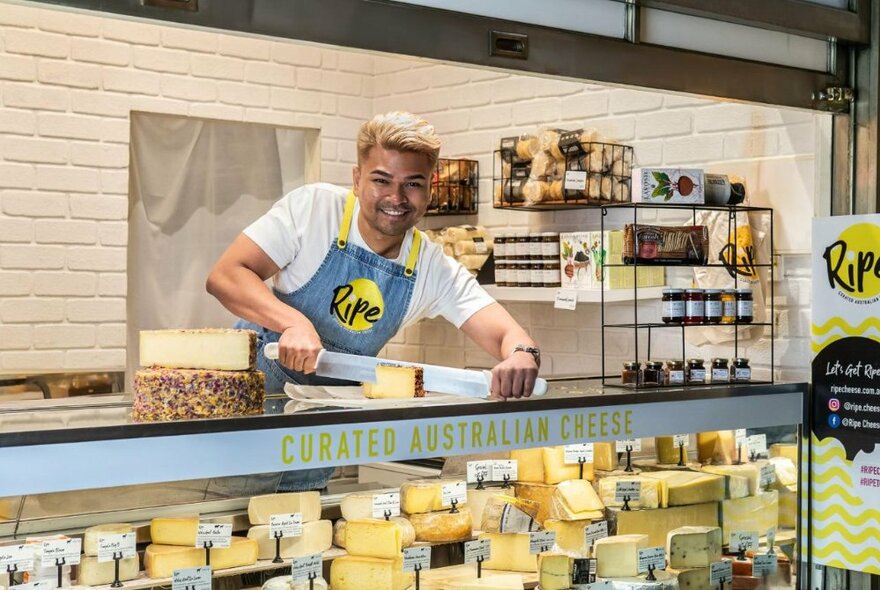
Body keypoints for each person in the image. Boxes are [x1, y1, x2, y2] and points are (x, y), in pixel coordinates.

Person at [206, 111, 541, 489]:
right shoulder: (314, 210)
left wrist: (521, 355)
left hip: (321, 432)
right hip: (249, 413)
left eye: (412, 184)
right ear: (356, 179)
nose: (395, 198)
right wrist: (292, 323)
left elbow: (506, 335)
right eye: (381, 180)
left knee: (297, 530)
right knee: (223, 531)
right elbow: (226, 275)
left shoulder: (430, 266)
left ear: (430, 189)